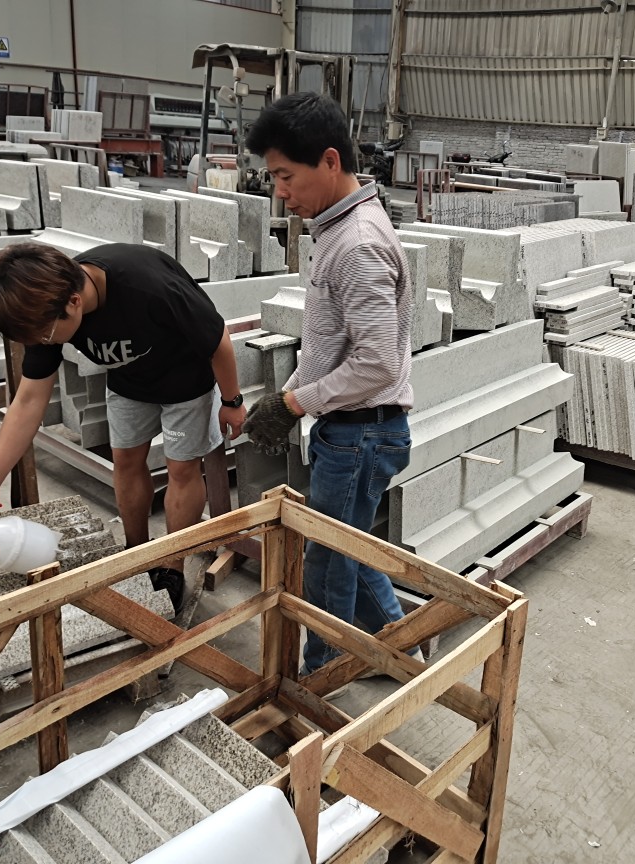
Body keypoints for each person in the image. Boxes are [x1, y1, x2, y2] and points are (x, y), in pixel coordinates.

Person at [0, 243, 245, 609]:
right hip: (128, 382)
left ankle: (171, 566)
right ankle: (136, 551)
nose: (44, 344)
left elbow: (218, 341)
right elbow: (28, 400)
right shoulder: (45, 308)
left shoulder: (149, 286)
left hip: (186, 381)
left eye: (46, 336)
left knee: (182, 468)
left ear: (74, 301)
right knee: (125, 460)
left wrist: (231, 402)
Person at [242, 93, 420, 675]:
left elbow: (376, 365)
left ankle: (320, 679)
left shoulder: (358, 244)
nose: (280, 192)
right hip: (354, 430)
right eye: (274, 178)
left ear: (329, 161)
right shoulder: (337, 230)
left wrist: (295, 402)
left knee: (326, 563)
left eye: (285, 176)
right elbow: (329, 343)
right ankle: (404, 646)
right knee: (349, 548)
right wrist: (287, 396)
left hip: (361, 434)